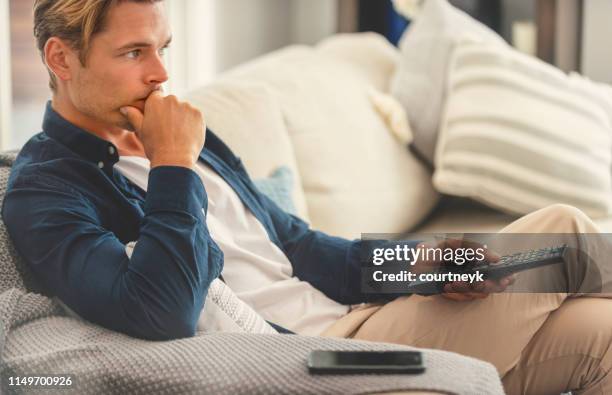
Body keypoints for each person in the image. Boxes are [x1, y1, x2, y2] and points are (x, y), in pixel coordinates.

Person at [3, 0, 611, 393]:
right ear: (62, 58)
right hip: (320, 359)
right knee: (562, 224)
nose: (160, 73)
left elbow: (304, 248)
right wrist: (173, 164)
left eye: (163, 49)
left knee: (602, 330)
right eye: (134, 52)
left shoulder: (191, 136)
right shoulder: (48, 188)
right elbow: (160, 309)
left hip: (359, 316)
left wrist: (419, 262)